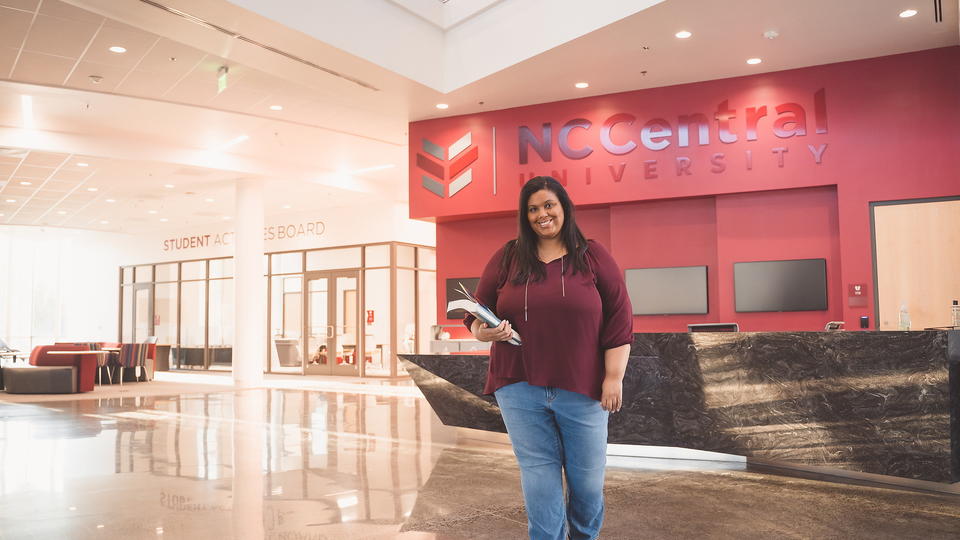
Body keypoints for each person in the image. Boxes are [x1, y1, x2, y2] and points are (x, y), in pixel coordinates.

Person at [464, 176, 633, 540]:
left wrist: (614, 377)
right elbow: (476, 314)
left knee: (587, 479)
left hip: (583, 386)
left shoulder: (593, 255)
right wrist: (484, 332)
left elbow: (620, 318)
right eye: (533, 209)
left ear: (564, 207)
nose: (542, 215)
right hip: (518, 385)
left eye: (548, 205)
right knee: (538, 474)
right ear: (525, 216)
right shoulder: (508, 256)